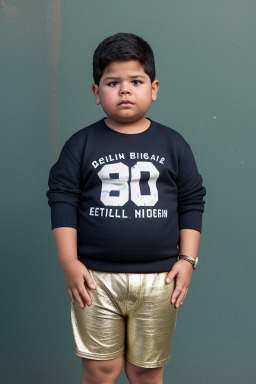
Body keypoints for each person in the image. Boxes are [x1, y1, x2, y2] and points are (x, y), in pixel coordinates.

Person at [46, 32, 206, 384]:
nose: (125, 90)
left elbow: (192, 199)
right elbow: (62, 199)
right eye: (112, 82)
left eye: (136, 80)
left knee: (147, 371)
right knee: (100, 370)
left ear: (154, 88)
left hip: (159, 279)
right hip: (95, 279)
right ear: (95, 92)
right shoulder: (81, 145)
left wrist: (187, 260)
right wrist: (69, 262)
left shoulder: (173, 144)